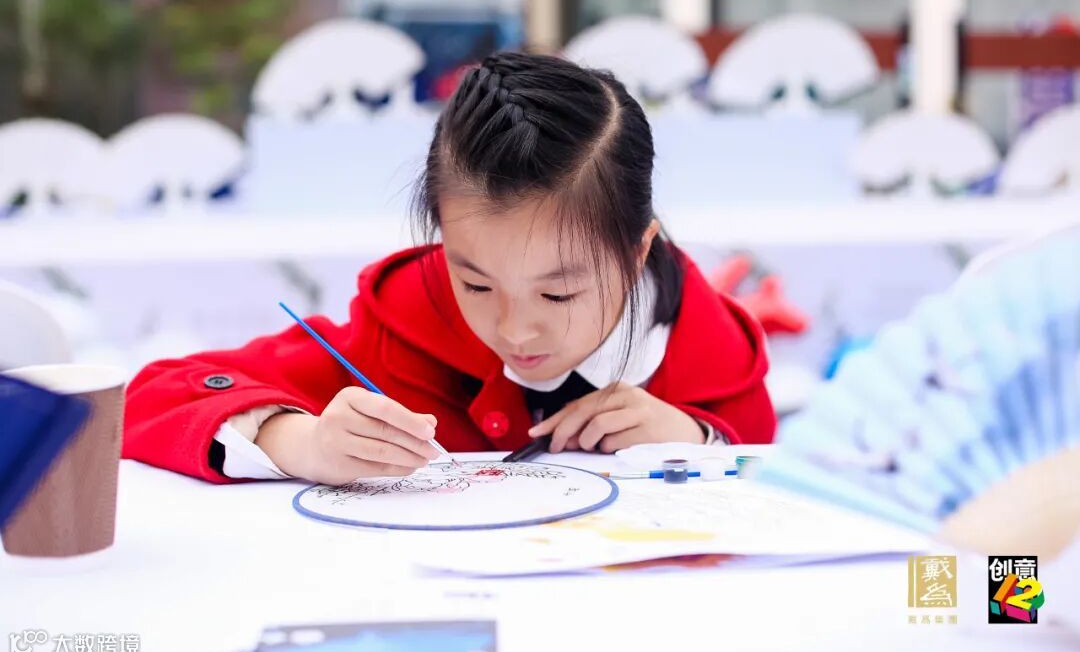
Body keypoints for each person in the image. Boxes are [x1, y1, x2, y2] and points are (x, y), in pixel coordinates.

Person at [123, 52, 776, 485]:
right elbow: (154, 396)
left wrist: (698, 440)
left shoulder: (704, 354)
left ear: (636, 253)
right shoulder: (405, 326)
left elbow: (771, 471)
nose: (515, 330)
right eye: (476, 283)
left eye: (558, 294)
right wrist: (300, 442)